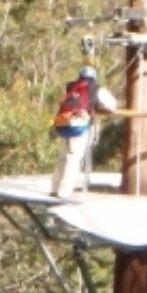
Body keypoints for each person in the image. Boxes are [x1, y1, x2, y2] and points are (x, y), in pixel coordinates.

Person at [50, 65, 117, 197]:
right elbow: (112, 105)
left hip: (65, 123)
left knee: (62, 157)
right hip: (79, 126)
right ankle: (64, 191)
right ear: (94, 77)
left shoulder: (71, 86)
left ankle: (54, 188)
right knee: (73, 158)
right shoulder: (96, 88)